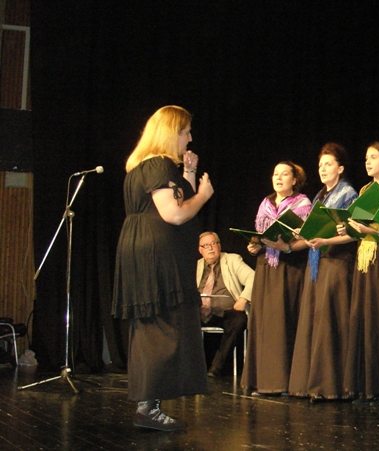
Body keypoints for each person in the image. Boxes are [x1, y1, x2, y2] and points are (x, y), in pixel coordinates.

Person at [112, 105, 214, 431]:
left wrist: (189, 173)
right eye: (185, 132)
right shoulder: (157, 164)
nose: (190, 138)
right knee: (164, 326)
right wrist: (203, 194)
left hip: (143, 246)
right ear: (171, 133)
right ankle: (148, 408)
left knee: (152, 325)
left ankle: (149, 405)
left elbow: (177, 199)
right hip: (157, 251)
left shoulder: (143, 166)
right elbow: (175, 213)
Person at [288, 143, 358, 402]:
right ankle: (311, 383)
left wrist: (325, 239)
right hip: (318, 261)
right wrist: (302, 232)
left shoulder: (348, 194)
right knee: (315, 320)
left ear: (340, 168)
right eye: (320, 165)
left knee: (331, 321)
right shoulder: (319, 196)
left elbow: (353, 234)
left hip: (337, 263)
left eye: (328, 164)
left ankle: (333, 385)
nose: (323, 169)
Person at [241, 161, 312, 396]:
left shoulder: (302, 204)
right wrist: (255, 246)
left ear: (295, 180)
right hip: (266, 267)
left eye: (284, 174)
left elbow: (307, 239)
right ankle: (261, 381)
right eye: (275, 174)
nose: (279, 178)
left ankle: (282, 382)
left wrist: (287, 247)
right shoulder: (265, 203)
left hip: (288, 268)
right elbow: (260, 236)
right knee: (263, 323)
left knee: (282, 322)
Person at [342, 143, 379, 405]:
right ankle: (365, 385)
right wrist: (349, 228)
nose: (368, 162)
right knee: (363, 319)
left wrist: (370, 230)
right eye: (366, 158)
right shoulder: (365, 190)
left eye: (374, 157)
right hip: (364, 258)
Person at [196, 231, 254, 377]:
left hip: (226, 312)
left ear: (219, 246)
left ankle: (216, 367)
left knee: (239, 319)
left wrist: (243, 299)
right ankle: (189, 368)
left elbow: (253, 277)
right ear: (200, 250)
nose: (210, 248)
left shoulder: (232, 260)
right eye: (206, 245)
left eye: (213, 243)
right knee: (180, 318)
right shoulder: (196, 266)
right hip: (200, 311)